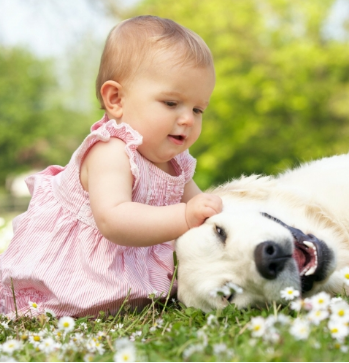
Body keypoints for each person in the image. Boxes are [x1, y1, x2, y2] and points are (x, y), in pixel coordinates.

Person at [0, 15, 222, 318]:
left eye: (198, 109)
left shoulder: (177, 163)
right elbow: (115, 219)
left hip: (127, 274)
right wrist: (185, 216)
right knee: (55, 304)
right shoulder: (110, 151)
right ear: (116, 99)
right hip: (76, 270)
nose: (187, 119)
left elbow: (199, 204)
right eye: (171, 103)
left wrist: (213, 212)